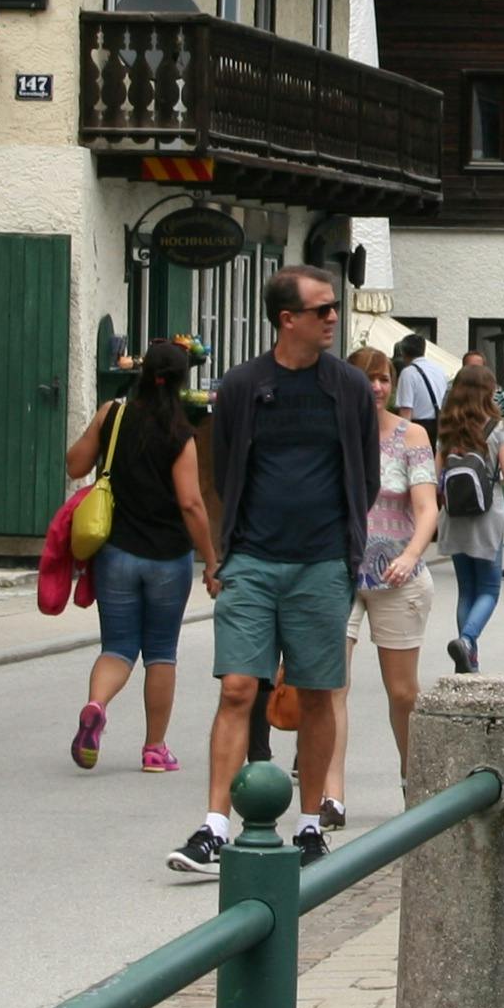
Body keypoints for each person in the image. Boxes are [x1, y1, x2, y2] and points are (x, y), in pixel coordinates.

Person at [174, 267, 378, 876]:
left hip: (321, 564)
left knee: (317, 693)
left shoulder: (347, 388)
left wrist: (346, 548)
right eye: (321, 310)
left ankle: (310, 825)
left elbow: (363, 475)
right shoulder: (242, 387)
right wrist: (219, 556)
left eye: (335, 308)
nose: (333, 317)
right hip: (253, 562)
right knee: (238, 687)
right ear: (287, 319)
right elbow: (217, 474)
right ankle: (213, 826)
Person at [65, 337, 218, 774]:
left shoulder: (113, 415)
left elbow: (75, 465)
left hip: (116, 551)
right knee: (161, 653)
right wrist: (211, 560)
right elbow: (191, 503)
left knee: (117, 647)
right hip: (168, 557)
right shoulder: (180, 435)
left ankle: (96, 705)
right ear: (181, 382)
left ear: (143, 372)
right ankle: (154, 749)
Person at [343, 347, 440, 781]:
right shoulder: (334, 432)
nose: (377, 388)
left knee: (402, 692)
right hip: (339, 572)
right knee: (329, 688)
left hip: (396, 576)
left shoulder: (411, 436)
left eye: (383, 379)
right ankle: (330, 794)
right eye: (367, 379)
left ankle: (411, 776)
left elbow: (427, 508)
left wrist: (411, 555)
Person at [434, 368, 504, 673]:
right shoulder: (497, 428)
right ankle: (467, 641)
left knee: (466, 588)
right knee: (489, 589)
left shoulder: (447, 429)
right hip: (488, 515)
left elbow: (437, 474)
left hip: (454, 516)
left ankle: (469, 661)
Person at [391, 332, 449, 445]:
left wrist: (399, 442)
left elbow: (406, 412)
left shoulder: (408, 373)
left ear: (403, 352)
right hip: (440, 426)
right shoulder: (439, 370)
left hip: (418, 427)